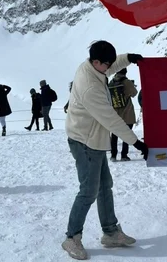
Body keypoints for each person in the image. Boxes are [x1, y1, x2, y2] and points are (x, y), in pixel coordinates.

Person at [62, 40, 149, 260]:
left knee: (104, 187)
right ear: (96, 62)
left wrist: (129, 57)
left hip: (93, 139)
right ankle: (72, 238)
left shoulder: (93, 66)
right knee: (89, 191)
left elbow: (111, 66)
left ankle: (110, 232)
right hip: (85, 141)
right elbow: (111, 120)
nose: (109, 68)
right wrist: (136, 142)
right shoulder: (90, 86)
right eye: (106, 64)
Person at [109, 68, 138, 161]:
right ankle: (124, 155)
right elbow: (134, 93)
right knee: (127, 134)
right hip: (127, 112)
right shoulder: (127, 82)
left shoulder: (111, 82)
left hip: (115, 113)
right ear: (125, 72)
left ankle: (113, 155)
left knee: (114, 135)